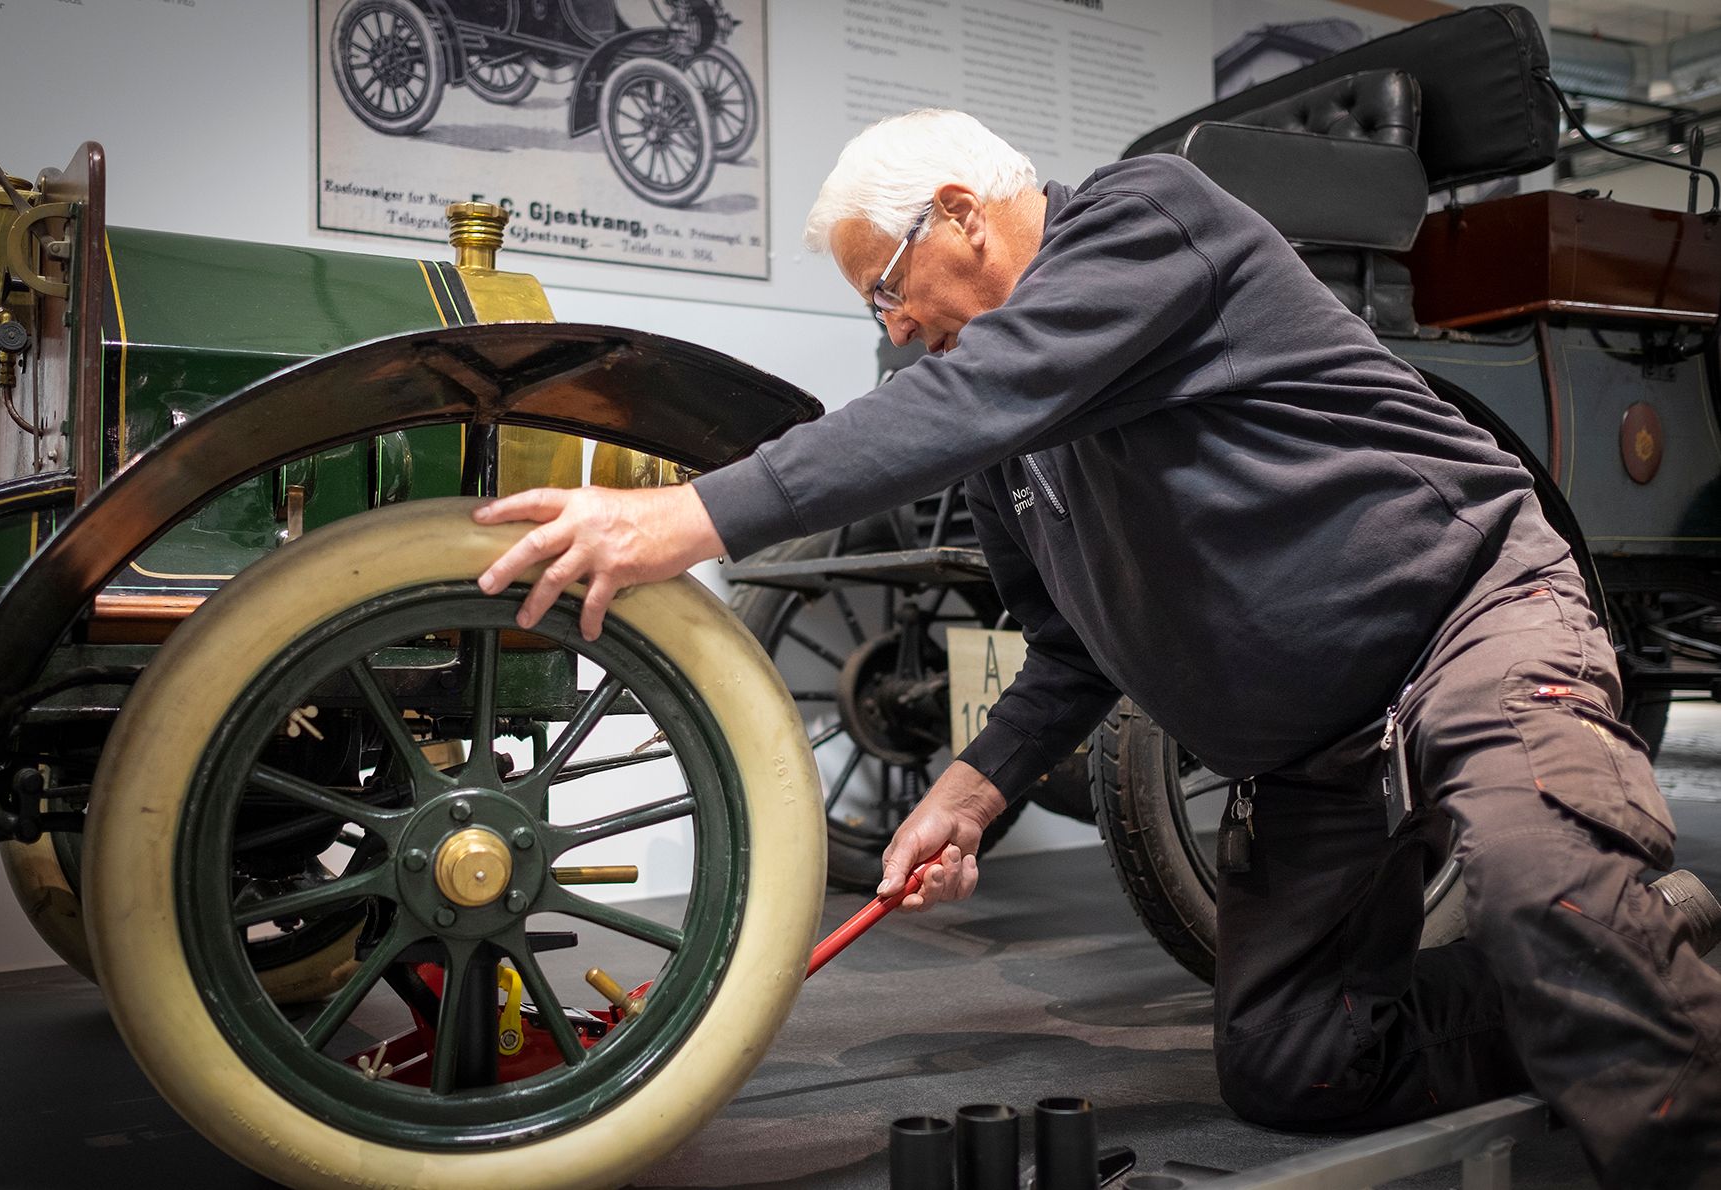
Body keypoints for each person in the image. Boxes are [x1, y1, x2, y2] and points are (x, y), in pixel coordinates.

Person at [476, 109, 1721, 1188]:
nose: (897, 328)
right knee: (1292, 1060)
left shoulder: (1145, 218)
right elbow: (1068, 651)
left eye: (885, 288)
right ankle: (1624, 950)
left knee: (1537, 873)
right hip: (1310, 750)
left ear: (961, 214)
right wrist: (970, 790)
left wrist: (682, 517)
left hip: (1466, 620)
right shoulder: (1015, 447)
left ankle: (1614, 984)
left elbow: (964, 398)